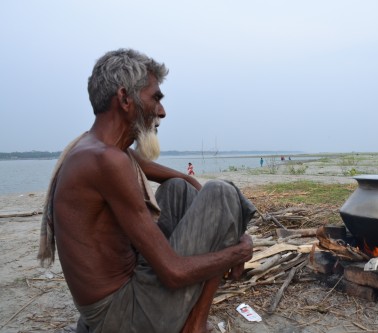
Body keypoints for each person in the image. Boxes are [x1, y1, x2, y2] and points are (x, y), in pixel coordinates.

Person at [37, 49, 256, 333]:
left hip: (110, 305)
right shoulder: (106, 160)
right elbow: (174, 273)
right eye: (155, 98)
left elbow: (160, 172)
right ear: (125, 99)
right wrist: (238, 251)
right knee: (223, 193)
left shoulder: (99, 149)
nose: (162, 111)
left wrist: (203, 198)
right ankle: (195, 326)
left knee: (178, 189)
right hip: (119, 316)